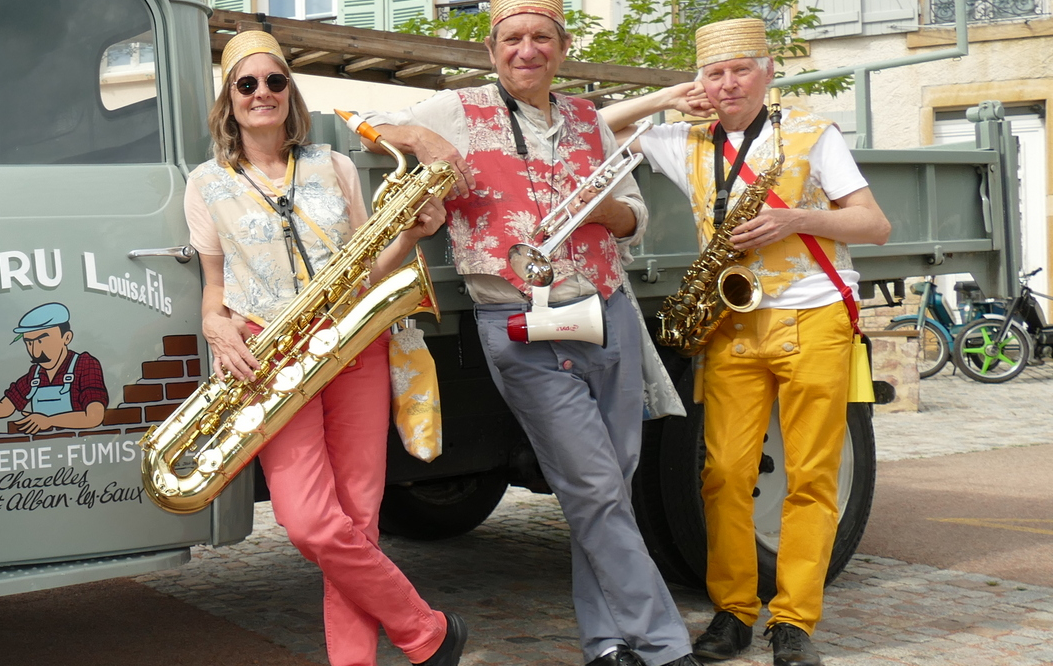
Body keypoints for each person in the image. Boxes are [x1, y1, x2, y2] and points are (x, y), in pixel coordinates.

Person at [350, 0, 700, 663]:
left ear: (561, 50)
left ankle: (605, 642)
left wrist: (605, 213)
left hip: (605, 311)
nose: (527, 48)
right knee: (594, 489)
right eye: (512, 37)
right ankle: (661, 643)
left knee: (607, 490)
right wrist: (419, 140)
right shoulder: (456, 110)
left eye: (542, 36)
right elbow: (359, 122)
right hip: (518, 321)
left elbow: (636, 218)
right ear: (492, 51)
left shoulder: (588, 119)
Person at [601, 19, 891, 666]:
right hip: (731, 321)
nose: (727, 84)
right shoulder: (683, 138)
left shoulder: (812, 134)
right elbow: (592, 132)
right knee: (724, 475)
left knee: (811, 477)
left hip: (815, 318)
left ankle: (793, 622)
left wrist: (798, 217)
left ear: (767, 71)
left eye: (740, 70)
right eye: (714, 72)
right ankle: (733, 612)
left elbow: (874, 224)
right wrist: (663, 98)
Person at [185, 30, 467, 666]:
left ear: (291, 91)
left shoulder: (334, 164)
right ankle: (425, 630)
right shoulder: (205, 183)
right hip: (271, 356)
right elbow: (213, 288)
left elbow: (365, 266)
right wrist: (215, 326)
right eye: (247, 84)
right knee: (310, 522)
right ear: (229, 100)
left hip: (353, 342)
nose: (262, 94)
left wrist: (415, 233)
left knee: (359, 523)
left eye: (275, 81)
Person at [0, 303, 108, 434]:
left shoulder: (85, 364)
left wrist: (49, 420)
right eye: (29, 342)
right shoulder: (35, 374)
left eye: (42, 340)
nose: (35, 351)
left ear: (67, 337)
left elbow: (94, 417)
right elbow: (5, 407)